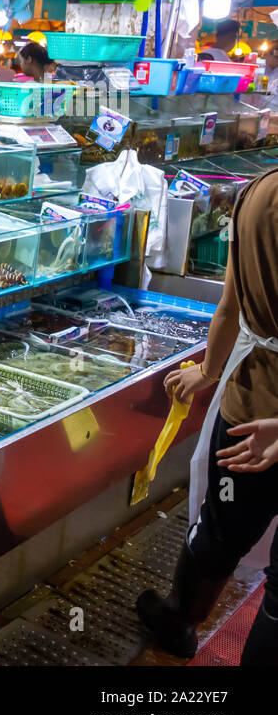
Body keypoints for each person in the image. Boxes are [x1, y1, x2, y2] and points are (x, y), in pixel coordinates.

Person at [137, 168, 278, 664]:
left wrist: (208, 370)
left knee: (221, 525)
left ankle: (180, 620)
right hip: (261, 415)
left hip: (251, 406)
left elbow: (230, 305)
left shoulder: (258, 191)